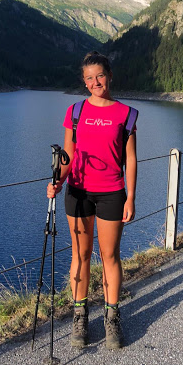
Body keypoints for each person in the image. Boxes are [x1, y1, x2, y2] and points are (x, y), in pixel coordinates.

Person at [47, 51, 137, 349]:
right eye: (89, 78)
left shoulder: (126, 114)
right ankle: (80, 317)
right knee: (80, 256)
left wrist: (131, 197)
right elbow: (68, 155)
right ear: (84, 82)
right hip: (78, 192)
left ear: (109, 76)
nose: (95, 82)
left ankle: (111, 318)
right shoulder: (75, 111)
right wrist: (58, 181)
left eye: (100, 75)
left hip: (112, 192)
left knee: (110, 256)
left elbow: (131, 159)